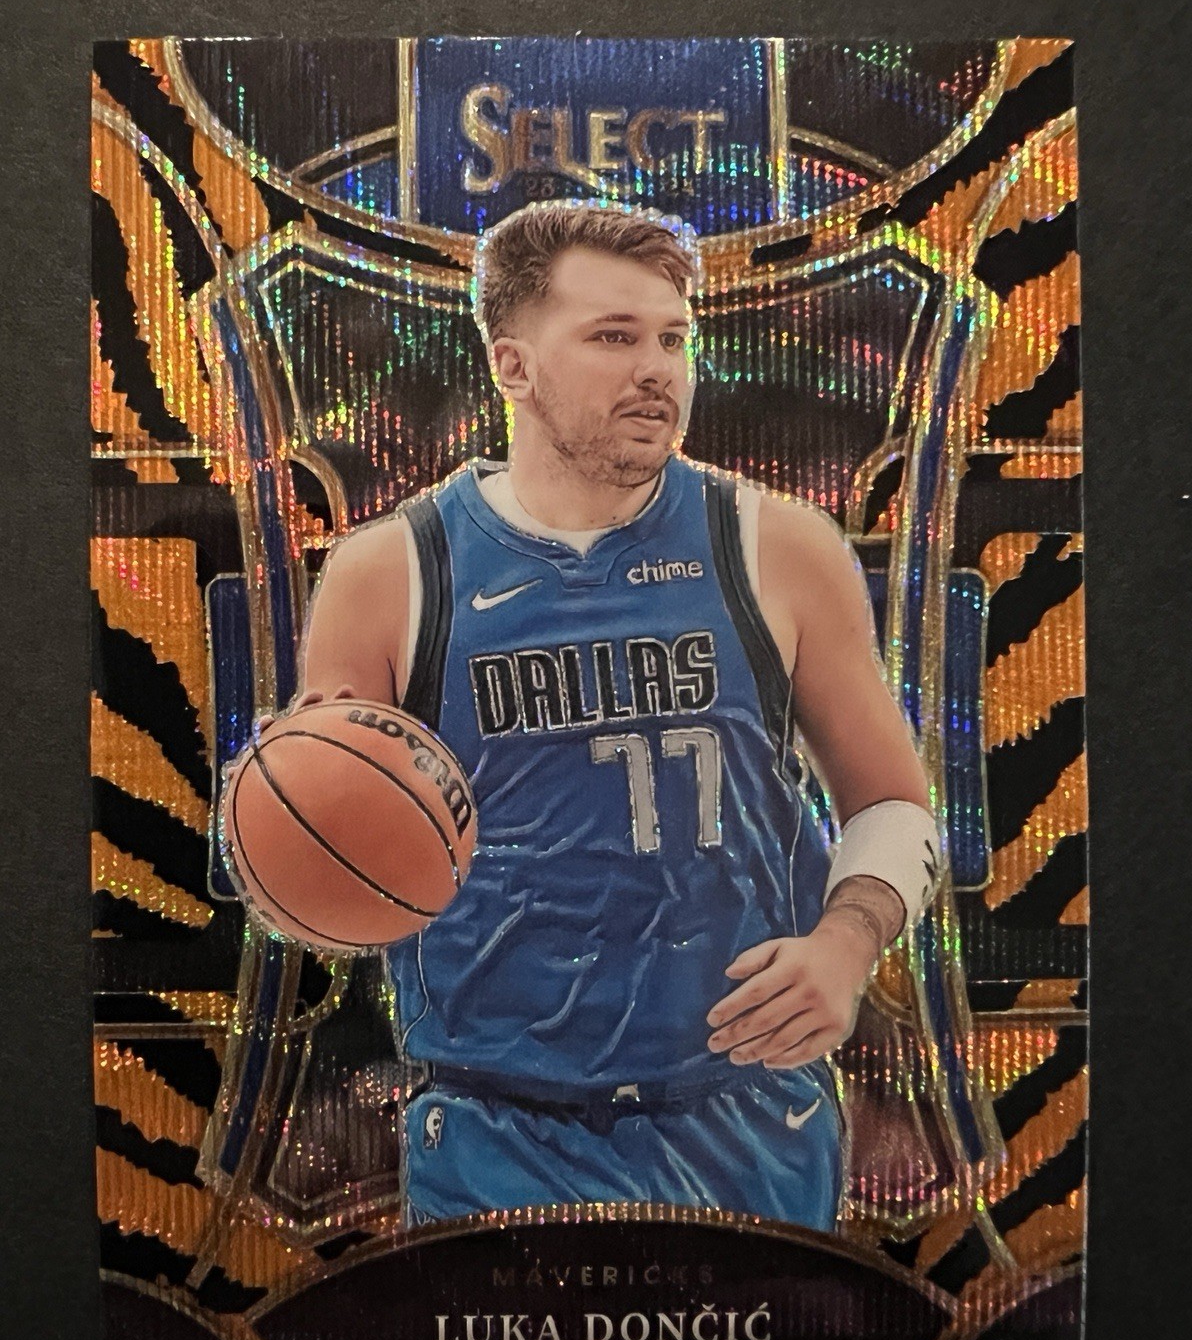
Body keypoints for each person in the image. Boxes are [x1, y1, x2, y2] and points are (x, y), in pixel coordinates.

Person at [291, 200, 941, 1231]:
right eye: (614, 337)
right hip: (496, 1126)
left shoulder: (776, 547)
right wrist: (300, 846)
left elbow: (895, 805)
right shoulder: (391, 574)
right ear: (511, 366)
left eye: (674, 340)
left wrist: (848, 943)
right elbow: (319, 852)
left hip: (745, 1112)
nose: (658, 370)